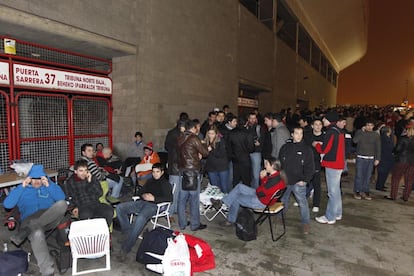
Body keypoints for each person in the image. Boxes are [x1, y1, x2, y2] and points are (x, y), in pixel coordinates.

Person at [4, 164, 67, 276]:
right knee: (36, 232)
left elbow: (61, 198)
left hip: (48, 219)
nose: (37, 182)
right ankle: (47, 270)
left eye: (40, 179)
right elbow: (7, 204)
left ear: (44, 179)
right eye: (34, 179)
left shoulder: (49, 187)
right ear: (29, 179)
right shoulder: (22, 190)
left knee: (62, 204)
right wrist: (22, 186)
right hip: (29, 219)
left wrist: (49, 186)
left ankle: (30, 228)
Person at [210, 158, 286, 226]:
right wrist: (264, 178)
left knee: (236, 199)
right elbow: (262, 190)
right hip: (264, 197)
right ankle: (223, 202)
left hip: (262, 202)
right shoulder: (277, 176)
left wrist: (263, 178)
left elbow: (260, 192)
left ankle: (230, 220)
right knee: (240, 187)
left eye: (267, 164)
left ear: (272, 166)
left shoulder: (273, 181)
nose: (265, 166)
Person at [116, 163, 172, 254]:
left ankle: (126, 248)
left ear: (162, 172)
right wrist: (143, 195)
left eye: (157, 172)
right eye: (153, 172)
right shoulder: (150, 181)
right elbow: (140, 192)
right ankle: (128, 233)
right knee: (120, 208)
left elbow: (169, 198)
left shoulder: (166, 184)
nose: (155, 174)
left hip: (154, 206)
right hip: (142, 202)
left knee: (140, 218)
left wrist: (154, 198)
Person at [279, 127, 315, 234]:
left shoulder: (307, 150)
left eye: (301, 133)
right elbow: (280, 163)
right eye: (296, 133)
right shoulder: (285, 147)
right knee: (283, 200)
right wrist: (280, 176)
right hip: (285, 180)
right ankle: (280, 216)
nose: (299, 136)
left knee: (302, 202)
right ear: (292, 134)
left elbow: (310, 167)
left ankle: (306, 223)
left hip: (299, 182)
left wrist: (305, 180)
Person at [314, 110, 346, 225]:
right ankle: (337, 213)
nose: (323, 120)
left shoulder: (330, 132)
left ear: (329, 119)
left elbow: (324, 150)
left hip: (332, 164)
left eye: (324, 119)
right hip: (339, 164)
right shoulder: (339, 131)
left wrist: (317, 145)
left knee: (332, 192)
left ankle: (329, 216)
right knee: (336, 191)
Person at [177, 120, 209, 231]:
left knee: (182, 199)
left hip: (182, 172)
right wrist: (204, 144)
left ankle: (182, 223)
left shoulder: (180, 138)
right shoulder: (194, 138)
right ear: (194, 128)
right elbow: (205, 153)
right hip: (193, 172)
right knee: (194, 199)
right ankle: (195, 224)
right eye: (197, 128)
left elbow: (185, 153)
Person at [63, 159, 114, 226]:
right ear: (75, 171)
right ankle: (88, 235)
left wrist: (90, 182)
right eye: (81, 171)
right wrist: (73, 208)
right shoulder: (70, 182)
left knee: (109, 211)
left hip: (95, 203)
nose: (84, 173)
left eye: (86, 170)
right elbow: (67, 198)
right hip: (81, 206)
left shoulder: (92, 178)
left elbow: (99, 193)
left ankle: (103, 232)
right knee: (86, 215)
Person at [352, 119, 381, 200]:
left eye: (371, 125)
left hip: (370, 158)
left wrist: (377, 158)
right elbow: (355, 141)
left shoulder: (376, 135)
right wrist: (362, 132)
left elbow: (378, 147)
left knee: (368, 176)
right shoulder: (360, 132)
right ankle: (357, 191)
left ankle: (365, 191)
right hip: (360, 157)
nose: (369, 127)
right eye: (368, 125)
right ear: (365, 125)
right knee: (359, 175)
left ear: (373, 126)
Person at [165, 118, 187, 214]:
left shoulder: (171, 133)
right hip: (176, 164)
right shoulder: (179, 135)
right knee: (175, 190)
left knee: (177, 189)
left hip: (174, 164)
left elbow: (166, 146)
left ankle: (175, 209)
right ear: (182, 127)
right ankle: (170, 211)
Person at [304, 118, 325, 213]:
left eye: (320, 124)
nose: (318, 126)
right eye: (316, 124)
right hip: (307, 162)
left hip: (317, 162)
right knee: (304, 182)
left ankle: (316, 204)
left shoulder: (325, 136)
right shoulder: (308, 135)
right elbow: (310, 144)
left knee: (316, 184)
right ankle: (301, 199)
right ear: (312, 126)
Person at [204, 125, 229, 193]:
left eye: (212, 134)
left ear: (216, 133)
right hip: (211, 167)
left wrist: (211, 150)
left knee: (224, 186)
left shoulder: (221, 141)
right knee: (215, 187)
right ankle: (217, 201)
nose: (210, 135)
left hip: (222, 167)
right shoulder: (206, 141)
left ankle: (225, 202)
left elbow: (221, 154)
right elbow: (205, 155)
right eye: (209, 133)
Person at [245, 112, 263, 188]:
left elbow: (264, 139)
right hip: (246, 152)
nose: (252, 120)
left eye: (254, 118)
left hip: (256, 152)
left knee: (256, 174)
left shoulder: (259, 128)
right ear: (248, 119)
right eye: (251, 118)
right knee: (249, 173)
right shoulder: (245, 127)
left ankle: (255, 191)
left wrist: (260, 143)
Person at [375, 126, 394, 191]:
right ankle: (379, 185)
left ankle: (382, 184)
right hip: (384, 157)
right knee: (382, 172)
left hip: (387, 157)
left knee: (385, 172)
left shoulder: (388, 138)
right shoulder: (384, 138)